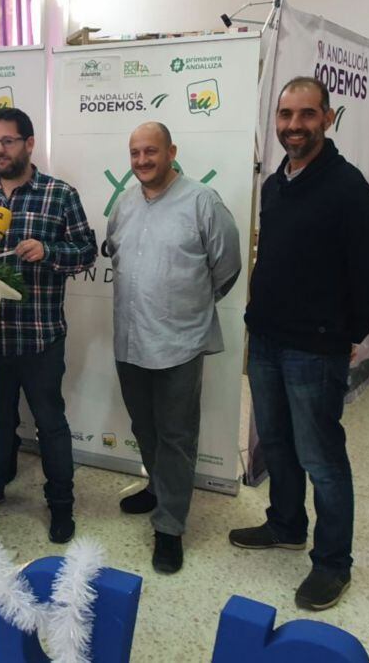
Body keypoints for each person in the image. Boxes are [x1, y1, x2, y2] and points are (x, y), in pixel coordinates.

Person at [228, 76, 369, 610]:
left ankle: (332, 564)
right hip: (269, 339)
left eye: (306, 115)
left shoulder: (348, 189)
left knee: (322, 457)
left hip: (315, 349)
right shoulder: (277, 185)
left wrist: (347, 335)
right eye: (286, 115)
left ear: (328, 118)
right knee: (276, 444)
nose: (294, 126)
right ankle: (286, 524)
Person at [0, 106, 96, 543]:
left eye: (8, 142)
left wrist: (49, 251)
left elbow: (87, 251)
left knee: (49, 423)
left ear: (29, 144)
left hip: (39, 336)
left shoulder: (60, 194)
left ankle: (60, 505)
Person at [107, 122, 241, 574]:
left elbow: (227, 267)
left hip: (180, 342)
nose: (143, 161)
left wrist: (189, 307)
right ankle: (158, 489)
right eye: (135, 153)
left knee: (177, 436)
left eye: (151, 152)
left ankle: (170, 527)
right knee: (144, 427)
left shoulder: (202, 201)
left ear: (171, 152)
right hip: (130, 337)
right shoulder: (124, 203)